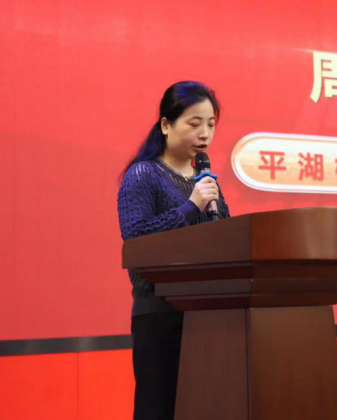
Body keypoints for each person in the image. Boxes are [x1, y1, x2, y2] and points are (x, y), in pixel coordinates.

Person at [118, 81, 230, 420]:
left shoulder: (206, 181)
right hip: (160, 314)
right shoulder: (143, 174)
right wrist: (191, 206)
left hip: (207, 314)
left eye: (210, 124)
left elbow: (228, 237)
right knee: (160, 409)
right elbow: (137, 238)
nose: (204, 134)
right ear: (166, 125)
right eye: (194, 123)